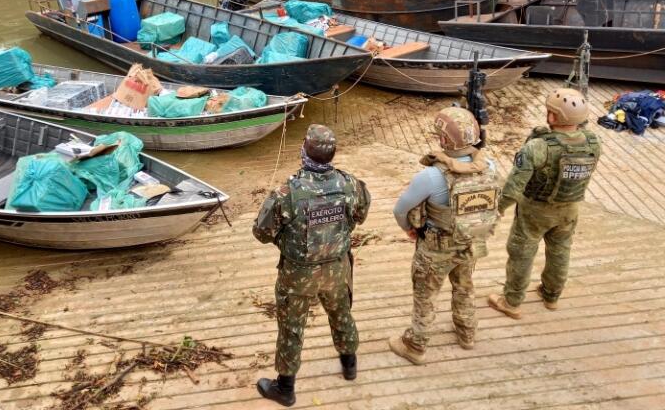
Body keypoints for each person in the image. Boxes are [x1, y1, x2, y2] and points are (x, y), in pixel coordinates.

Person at [253, 124, 371, 407]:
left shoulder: (287, 192)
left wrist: (286, 240)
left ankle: (285, 388)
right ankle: (349, 365)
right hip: (336, 267)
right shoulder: (349, 184)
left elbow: (261, 232)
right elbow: (360, 214)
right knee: (341, 313)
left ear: (304, 150)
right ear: (332, 154)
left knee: (292, 327)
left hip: (298, 274)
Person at [388, 107, 499, 365]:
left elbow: (400, 209)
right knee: (464, 287)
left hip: (436, 248)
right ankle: (467, 333)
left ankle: (415, 345)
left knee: (426, 295)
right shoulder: (488, 166)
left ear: (444, 141)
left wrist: (408, 228)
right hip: (470, 242)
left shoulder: (431, 176)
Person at [489, 88, 601, 318]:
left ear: (552, 116)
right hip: (570, 208)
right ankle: (551, 296)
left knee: (522, 253)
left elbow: (513, 187)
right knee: (560, 251)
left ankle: (511, 301)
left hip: (536, 209)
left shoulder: (538, 147)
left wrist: (497, 209)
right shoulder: (593, 142)